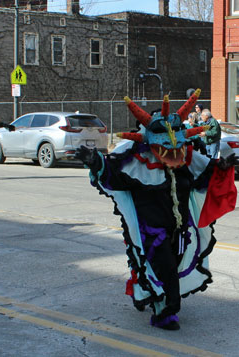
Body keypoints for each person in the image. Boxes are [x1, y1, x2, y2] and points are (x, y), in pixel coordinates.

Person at [75, 90, 237, 330]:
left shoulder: (185, 162)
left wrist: (221, 167)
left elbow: (202, 179)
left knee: (170, 268)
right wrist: (95, 162)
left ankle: (152, 296)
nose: (172, 144)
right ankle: (167, 313)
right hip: (152, 230)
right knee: (166, 271)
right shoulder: (137, 164)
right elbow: (115, 178)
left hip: (180, 230)